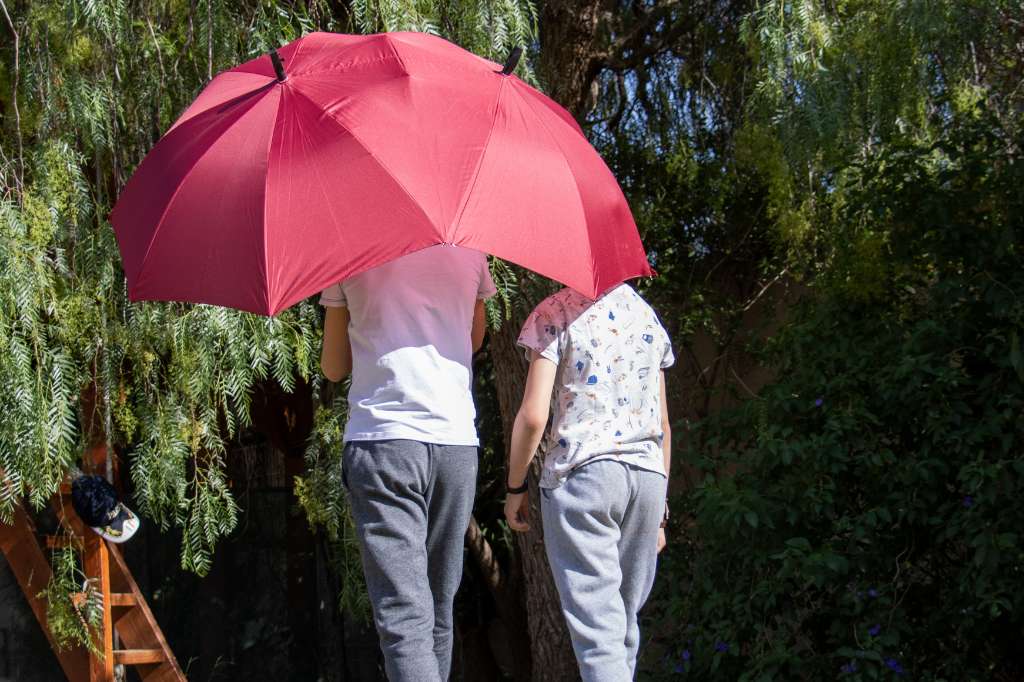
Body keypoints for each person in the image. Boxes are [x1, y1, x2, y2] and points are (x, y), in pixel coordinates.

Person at [320, 244, 496, 682]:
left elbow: (333, 366)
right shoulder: (470, 248)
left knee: (404, 619)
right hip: (455, 444)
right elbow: (475, 338)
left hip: (384, 442)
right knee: (437, 607)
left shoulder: (346, 246)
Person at [504, 281, 673, 682]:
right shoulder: (646, 315)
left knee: (599, 634)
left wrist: (515, 488)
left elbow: (532, 416)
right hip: (648, 482)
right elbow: (663, 424)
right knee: (622, 626)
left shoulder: (554, 313)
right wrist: (661, 515)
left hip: (585, 478)